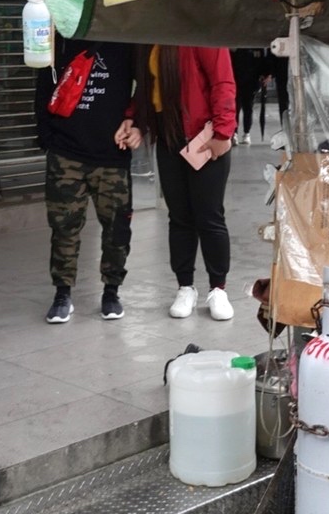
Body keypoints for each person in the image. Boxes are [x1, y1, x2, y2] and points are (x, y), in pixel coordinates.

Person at [36, 38, 141, 324]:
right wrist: (48, 139)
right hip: (66, 153)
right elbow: (44, 84)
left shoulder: (126, 41)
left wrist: (137, 122)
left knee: (117, 229)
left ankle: (111, 291)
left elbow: (145, 86)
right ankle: (62, 294)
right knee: (64, 227)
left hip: (112, 154)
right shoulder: (61, 39)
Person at [136, 44, 238, 321]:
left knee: (210, 217)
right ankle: (185, 287)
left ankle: (218, 288)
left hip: (203, 137)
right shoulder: (150, 40)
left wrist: (222, 131)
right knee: (179, 218)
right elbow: (147, 90)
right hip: (168, 137)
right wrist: (134, 120)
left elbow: (222, 82)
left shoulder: (200, 31)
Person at [231, 48, 263, 144]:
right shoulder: (234, 47)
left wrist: (261, 79)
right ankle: (234, 133)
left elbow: (259, 63)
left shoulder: (255, 48)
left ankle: (246, 133)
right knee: (235, 109)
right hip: (236, 81)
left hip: (250, 82)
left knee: (248, 108)